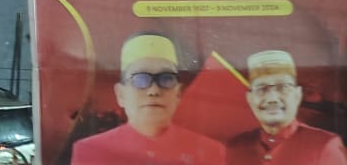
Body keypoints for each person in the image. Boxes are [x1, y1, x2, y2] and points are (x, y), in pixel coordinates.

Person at [70, 32, 224, 165]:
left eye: (166, 79)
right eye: (140, 79)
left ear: (177, 94)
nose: (154, 90)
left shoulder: (209, 152)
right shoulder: (91, 151)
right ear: (121, 94)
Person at [225, 50, 347, 165]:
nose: (272, 98)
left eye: (282, 87)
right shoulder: (236, 148)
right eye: (261, 88)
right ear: (250, 98)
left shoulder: (324, 145)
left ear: (297, 95)